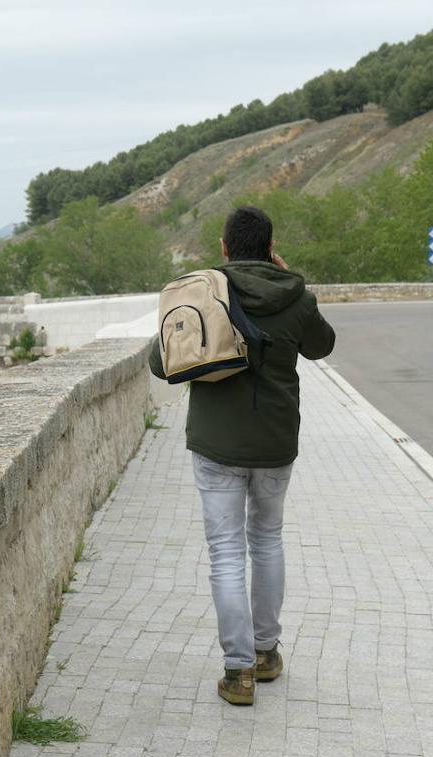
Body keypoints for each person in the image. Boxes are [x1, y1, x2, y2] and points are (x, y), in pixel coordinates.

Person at [149, 206, 336, 706]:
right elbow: (322, 346)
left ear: (224, 247)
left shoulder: (203, 291)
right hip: (275, 442)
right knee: (268, 540)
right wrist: (290, 283)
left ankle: (238, 673)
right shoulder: (296, 295)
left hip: (216, 445)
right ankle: (266, 653)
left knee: (227, 553)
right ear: (271, 248)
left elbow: (159, 362)